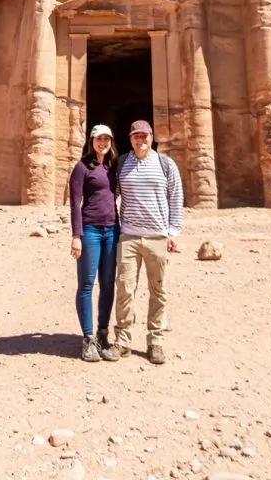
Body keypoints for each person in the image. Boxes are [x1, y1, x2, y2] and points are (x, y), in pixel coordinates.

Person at [113, 119, 184, 365]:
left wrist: (173, 231)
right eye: (135, 136)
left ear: (152, 136)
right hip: (129, 236)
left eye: (144, 135)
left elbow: (176, 197)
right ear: (130, 138)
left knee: (158, 291)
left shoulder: (166, 164)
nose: (140, 140)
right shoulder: (122, 163)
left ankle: (155, 342)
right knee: (124, 288)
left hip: (157, 237)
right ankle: (122, 341)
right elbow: (112, 195)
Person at [69, 124, 121, 363]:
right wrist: (76, 235)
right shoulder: (81, 168)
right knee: (87, 284)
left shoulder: (113, 167)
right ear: (91, 141)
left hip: (112, 230)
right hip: (90, 231)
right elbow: (75, 203)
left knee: (108, 284)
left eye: (106, 139)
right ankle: (88, 339)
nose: (103, 143)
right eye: (99, 139)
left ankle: (102, 335)